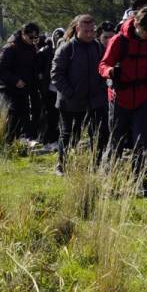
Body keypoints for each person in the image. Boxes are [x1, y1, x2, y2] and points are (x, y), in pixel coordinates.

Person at [99, 6, 147, 179]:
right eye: (145, 30)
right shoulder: (119, 40)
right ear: (136, 23)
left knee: (141, 142)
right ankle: (107, 177)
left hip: (143, 97)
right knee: (116, 140)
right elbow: (103, 65)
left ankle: (139, 180)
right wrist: (111, 71)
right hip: (119, 97)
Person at [51, 14, 108, 174]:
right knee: (68, 134)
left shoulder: (98, 47)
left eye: (92, 31)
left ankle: (96, 165)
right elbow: (56, 74)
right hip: (69, 101)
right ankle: (62, 164)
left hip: (94, 100)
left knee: (97, 133)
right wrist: (70, 93)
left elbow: (104, 68)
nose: (90, 34)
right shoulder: (67, 48)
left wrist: (101, 90)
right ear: (77, 29)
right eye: (86, 31)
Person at [0, 23, 43, 142]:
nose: (33, 40)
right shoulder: (10, 48)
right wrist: (15, 80)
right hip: (8, 88)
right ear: (23, 34)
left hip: (24, 88)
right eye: (31, 37)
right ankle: (7, 142)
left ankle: (19, 141)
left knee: (24, 115)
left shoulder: (32, 48)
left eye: (35, 37)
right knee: (12, 114)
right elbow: (0, 69)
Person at [36, 29, 65, 148]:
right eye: (57, 36)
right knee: (48, 115)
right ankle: (47, 139)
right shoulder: (45, 52)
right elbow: (38, 70)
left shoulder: (67, 51)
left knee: (59, 116)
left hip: (62, 90)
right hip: (48, 90)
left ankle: (56, 139)